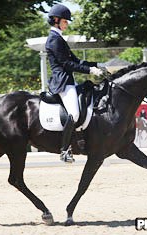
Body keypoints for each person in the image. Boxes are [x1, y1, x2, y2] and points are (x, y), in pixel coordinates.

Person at [45, 4, 103, 163]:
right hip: (62, 81)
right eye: (65, 21)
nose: (67, 24)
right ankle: (64, 150)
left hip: (69, 80)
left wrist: (95, 65)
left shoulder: (59, 39)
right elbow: (66, 64)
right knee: (74, 113)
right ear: (56, 20)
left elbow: (76, 61)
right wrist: (90, 71)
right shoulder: (54, 39)